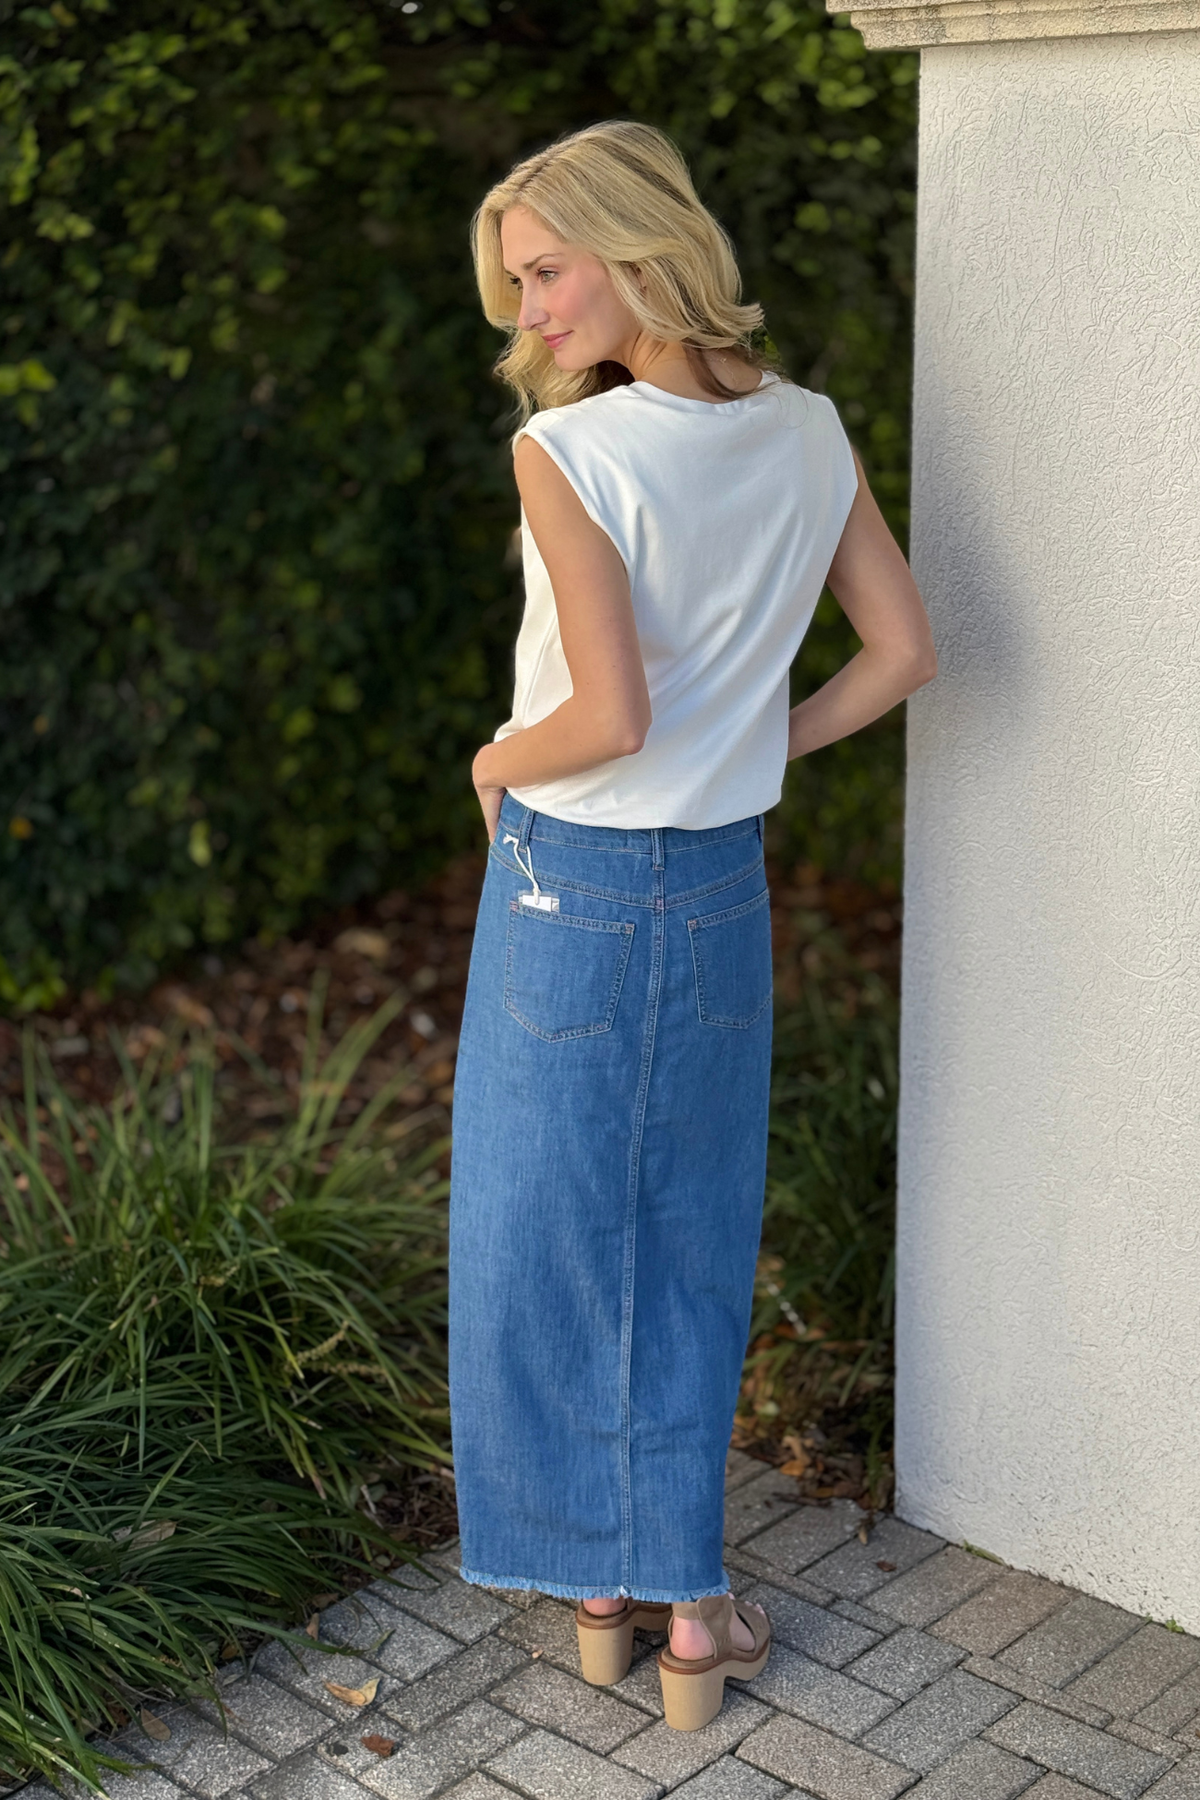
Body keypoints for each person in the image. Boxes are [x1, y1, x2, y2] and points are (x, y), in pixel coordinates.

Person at [447, 119, 936, 1733]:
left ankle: (605, 1589)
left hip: (569, 885)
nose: (528, 313)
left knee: (550, 1233)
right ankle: (692, 1609)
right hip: (721, 879)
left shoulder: (571, 456)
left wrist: (488, 759)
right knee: (689, 1235)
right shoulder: (805, 429)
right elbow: (902, 653)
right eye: (514, 285)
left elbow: (603, 712)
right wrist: (756, 750)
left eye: (545, 270)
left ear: (636, 241)